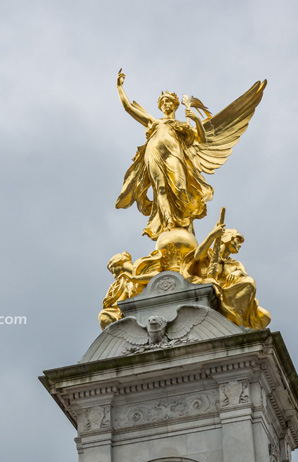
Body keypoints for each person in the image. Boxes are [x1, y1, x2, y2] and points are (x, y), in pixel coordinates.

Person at [115, 71, 212, 240]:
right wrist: (119, 87)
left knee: (180, 187)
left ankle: (185, 222)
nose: (166, 104)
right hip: (153, 155)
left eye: (169, 101)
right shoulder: (154, 122)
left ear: (175, 105)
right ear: (160, 106)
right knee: (160, 189)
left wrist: (196, 120)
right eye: (163, 102)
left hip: (174, 155)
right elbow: (128, 107)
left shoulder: (182, 125)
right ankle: (167, 223)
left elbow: (202, 139)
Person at [183, 217, 271, 329]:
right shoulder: (209, 254)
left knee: (265, 317)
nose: (239, 245)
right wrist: (212, 235)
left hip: (230, 295)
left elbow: (244, 275)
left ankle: (232, 316)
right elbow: (197, 256)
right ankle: (234, 321)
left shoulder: (236, 264)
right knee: (249, 282)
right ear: (227, 238)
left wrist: (238, 273)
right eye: (237, 240)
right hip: (215, 292)